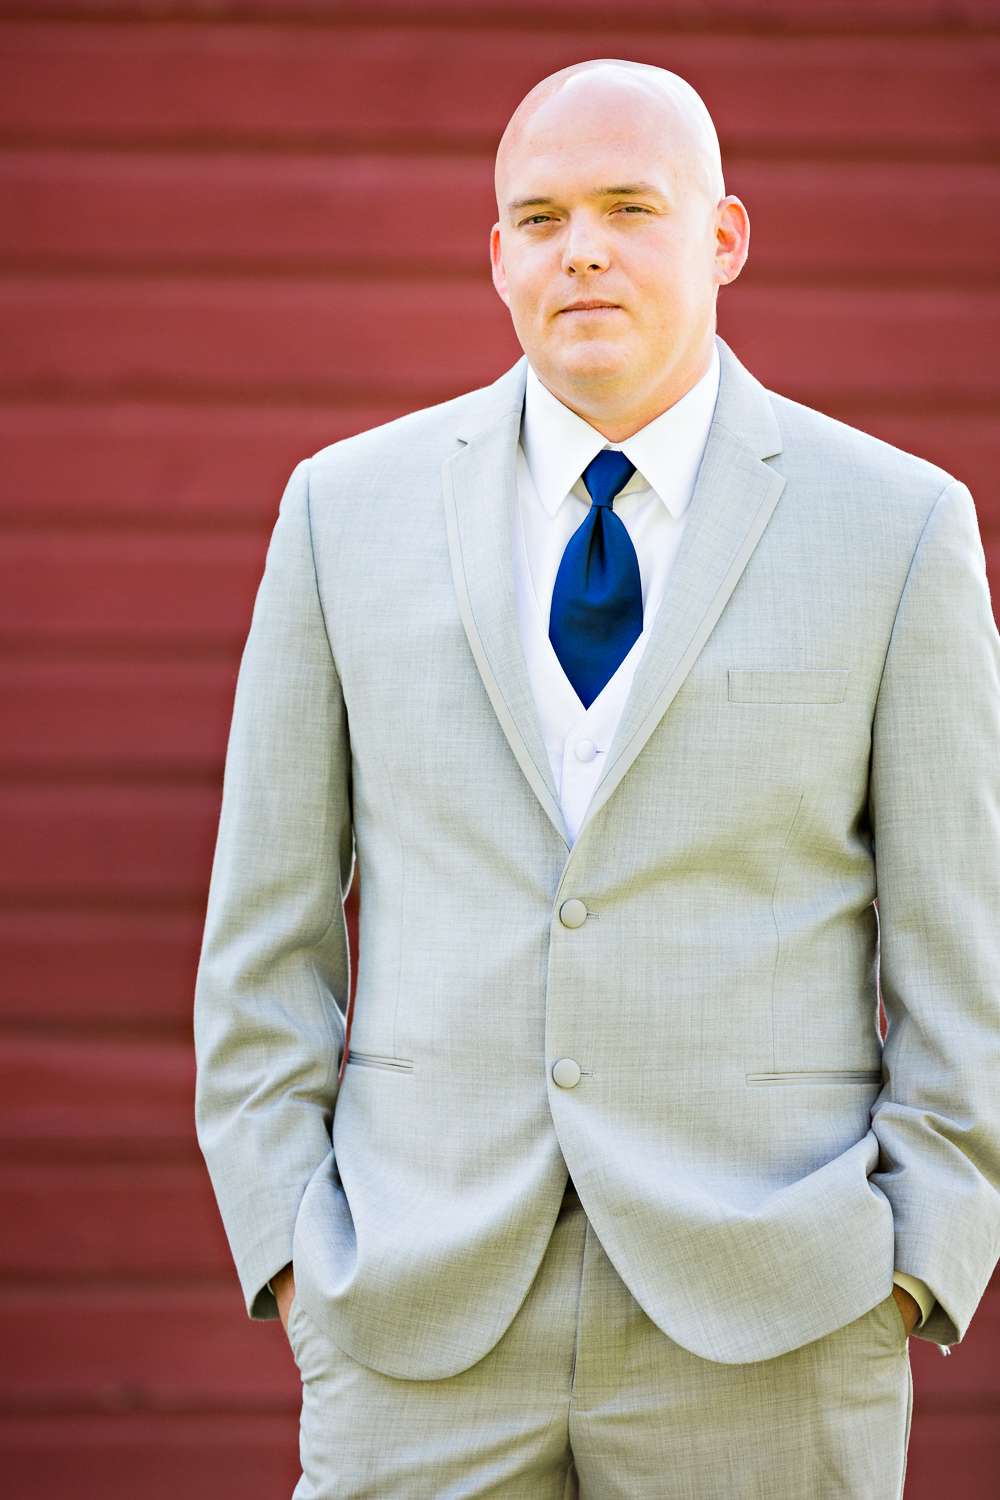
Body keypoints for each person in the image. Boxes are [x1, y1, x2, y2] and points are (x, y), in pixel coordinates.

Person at [194, 59, 1000, 1499]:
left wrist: (911, 1270)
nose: (585, 248)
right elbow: (264, 939)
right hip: (414, 1320)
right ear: (495, 253)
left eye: (633, 207)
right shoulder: (341, 512)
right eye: (543, 214)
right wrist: (293, 1260)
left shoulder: (897, 529)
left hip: (775, 1324)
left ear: (726, 237)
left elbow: (969, 957)